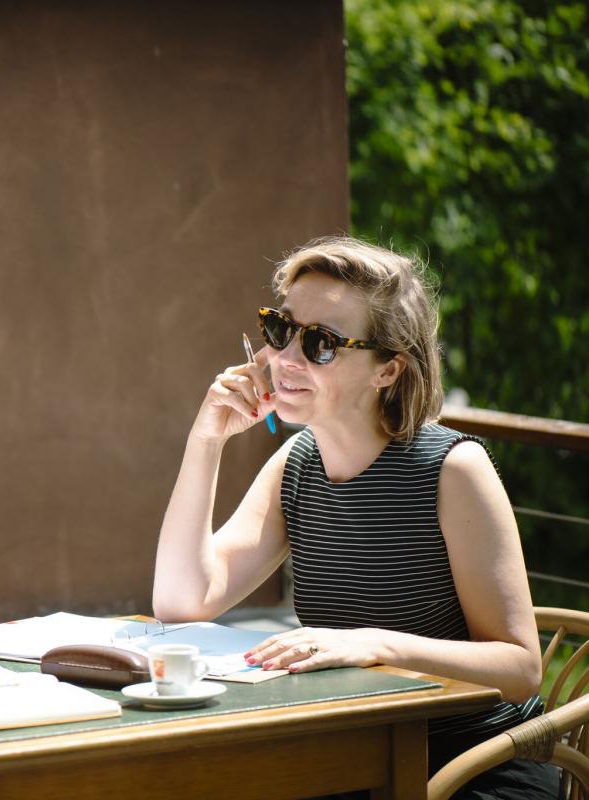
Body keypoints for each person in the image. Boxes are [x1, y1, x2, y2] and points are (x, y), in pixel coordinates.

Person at [152, 236, 557, 797]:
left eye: (320, 343)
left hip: (472, 766)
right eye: (280, 329)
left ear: (387, 370)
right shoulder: (296, 464)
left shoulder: (452, 469)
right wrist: (206, 441)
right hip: (353, 758)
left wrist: (375, 644)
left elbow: (520, 668)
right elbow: (181, 601)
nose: (286, 358)